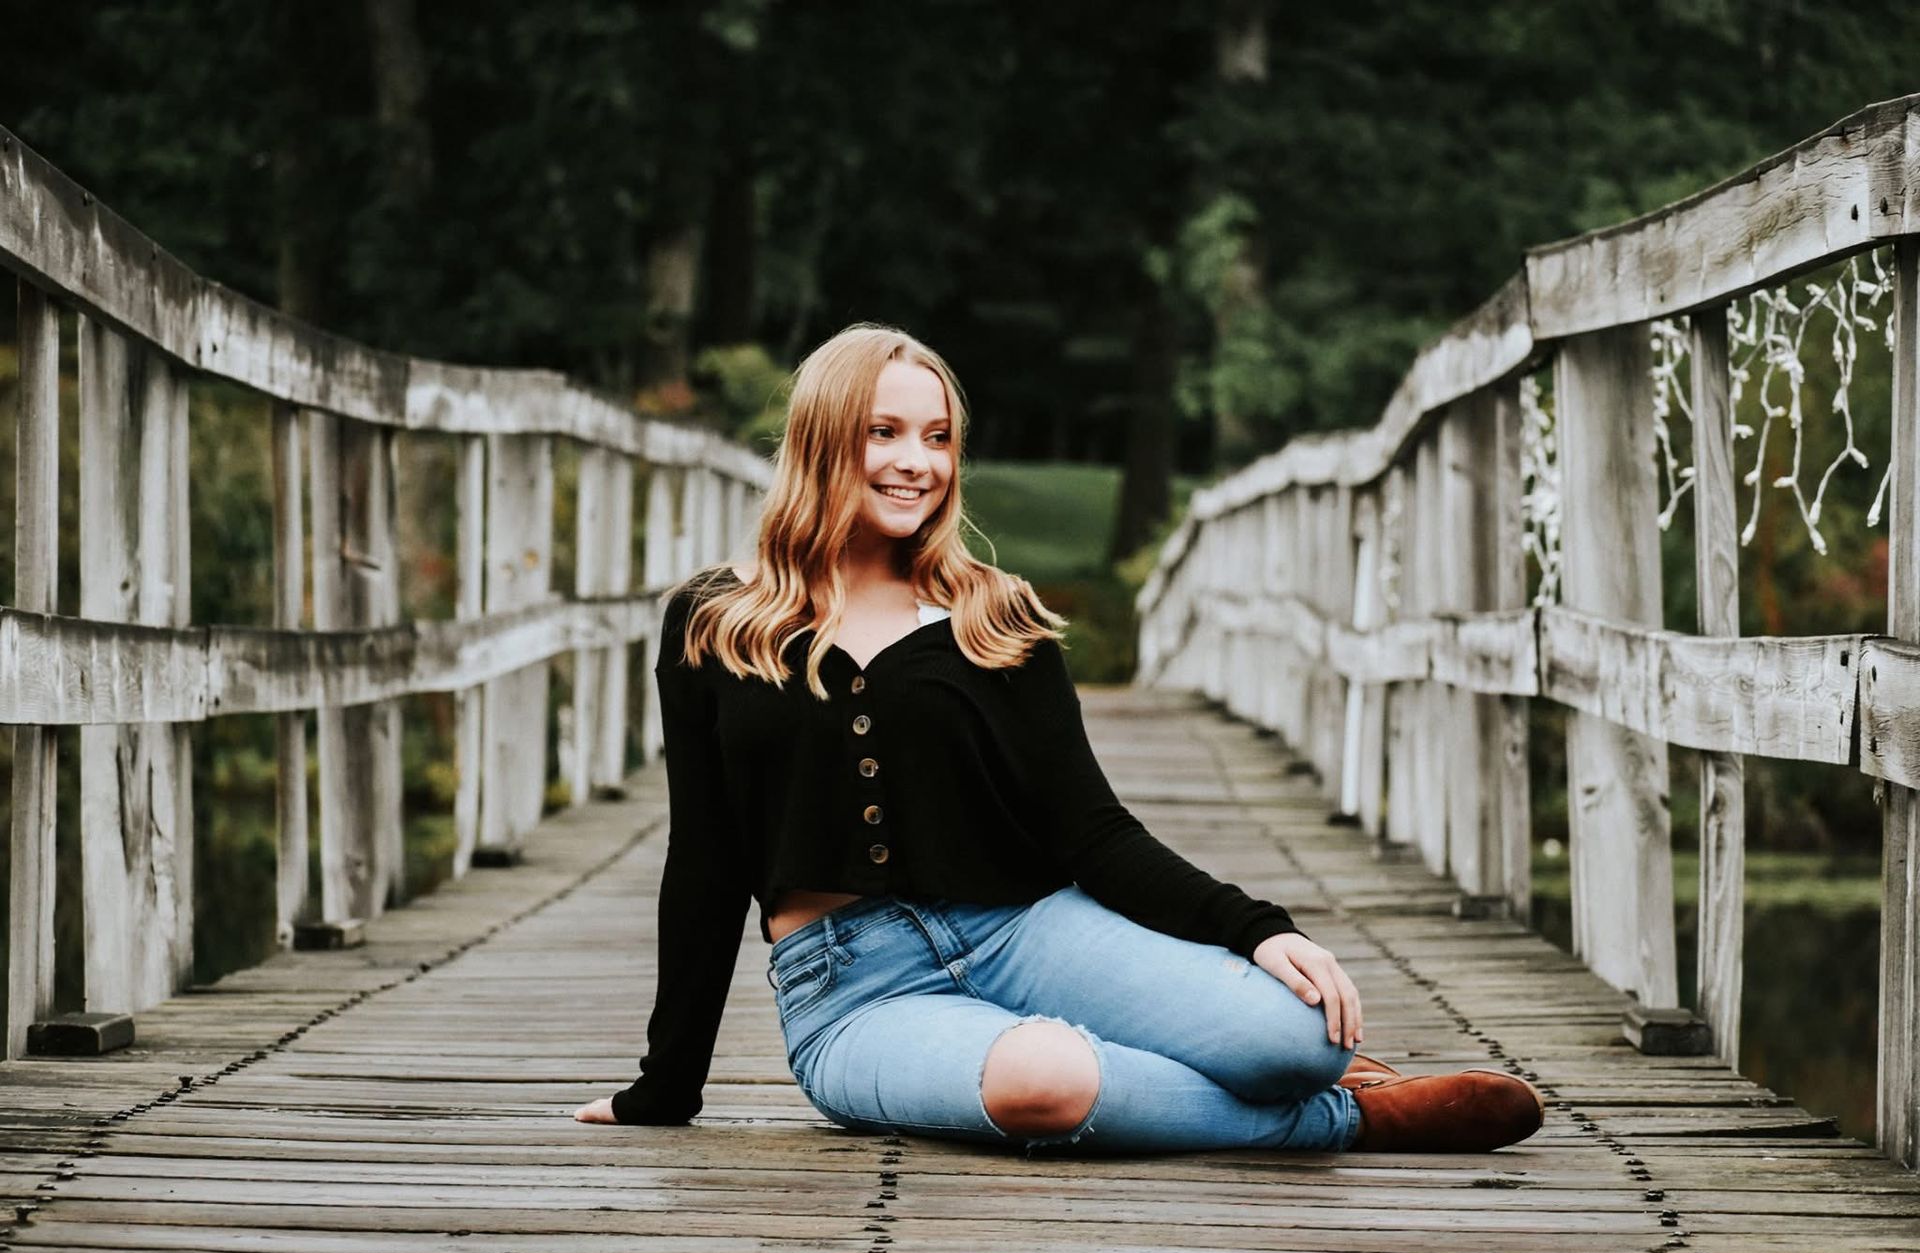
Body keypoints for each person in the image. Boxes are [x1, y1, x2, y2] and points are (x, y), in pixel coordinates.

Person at [574, 323, 1543, 1154]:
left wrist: (1258, 927)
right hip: (853, 990)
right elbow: (704, 856)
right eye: (884, 432)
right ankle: (1343, 1124)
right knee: (1046, 1081)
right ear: (822, 438)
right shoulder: (717, 619)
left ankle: (1316, 1080)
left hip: (1026, 927)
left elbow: (1092, 830)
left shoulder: (995, 615)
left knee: (1300, 1035)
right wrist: (668, 1086)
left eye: (938, 437)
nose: (917, 460)